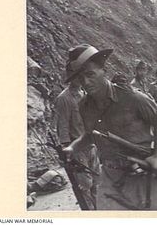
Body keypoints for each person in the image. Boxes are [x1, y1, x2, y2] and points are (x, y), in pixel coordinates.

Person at [63, 44, 157, 210]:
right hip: (110, 178)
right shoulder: (84, 106)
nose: (86, 82)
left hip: (142, 174)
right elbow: (91, 136)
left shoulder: (132, 96)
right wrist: (72, 148)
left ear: (103, 70)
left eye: (90, 74)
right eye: (80, 78)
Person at [55, 50, 101, 210]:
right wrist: (67, 150)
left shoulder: (84, 94)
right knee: (84, 185)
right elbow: (62, 125)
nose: (79, 80)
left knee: (97, 181)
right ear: (70, 78)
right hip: (77, 148)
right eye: (75, 76)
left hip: (91, 145)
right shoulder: (64, 99)